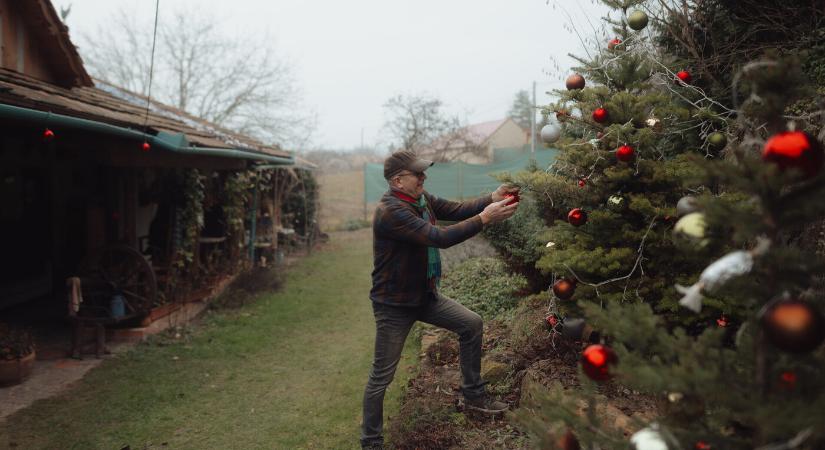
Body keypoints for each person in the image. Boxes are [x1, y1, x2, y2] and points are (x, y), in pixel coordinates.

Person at [360, 150, 519, 449]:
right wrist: (485, 218)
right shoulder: (392, 211)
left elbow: (457, 209)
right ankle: (371, 442)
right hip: (393, 305)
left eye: (423, 172)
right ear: (397, 180)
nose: (423, 177)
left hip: (424, 295)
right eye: (417, 174)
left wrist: (491, 197)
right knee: (381, 377)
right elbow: (439, 237)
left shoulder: (420, 200)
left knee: (471, 324)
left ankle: (473, 395)